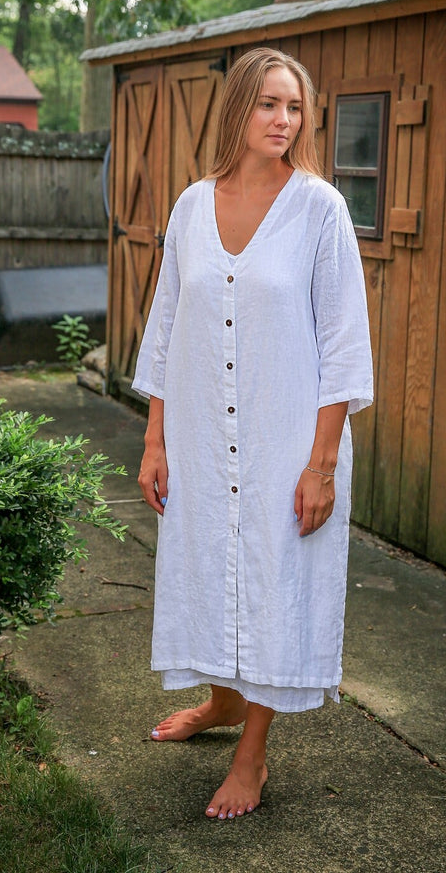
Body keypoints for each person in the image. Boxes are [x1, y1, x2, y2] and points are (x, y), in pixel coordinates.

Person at [133, 47, 373, 822]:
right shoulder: (191, 207)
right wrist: (155, 442)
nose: (284, 120)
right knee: (212, 565)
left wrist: (323, 466)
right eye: (270, 104)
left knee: (275, 581)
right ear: (239, 109)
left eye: (295, 107)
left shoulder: (321, 210)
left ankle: (253, 752)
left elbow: (343, 343)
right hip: (202, 434)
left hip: (286, 440)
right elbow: (166, 327)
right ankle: (222, 702)